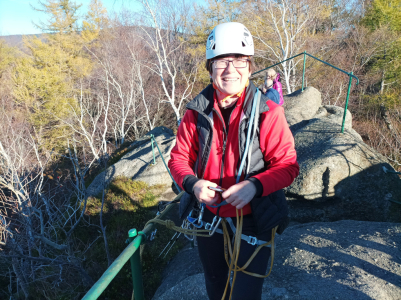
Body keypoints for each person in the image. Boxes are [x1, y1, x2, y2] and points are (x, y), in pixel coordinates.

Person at [168, 22, 299, 300]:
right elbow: (179, 159)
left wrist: (255, 185)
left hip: (254, 218)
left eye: (239, 61)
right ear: (210, 67)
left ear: (250, 67)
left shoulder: (267, 112)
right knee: (215, 285)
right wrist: (193, 184)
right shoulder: (196, 113)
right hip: (209, 219)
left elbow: (287, 165)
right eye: (221, 62)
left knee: (245, 294)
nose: (230, 70)